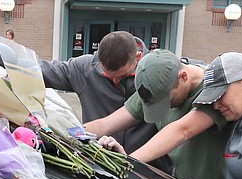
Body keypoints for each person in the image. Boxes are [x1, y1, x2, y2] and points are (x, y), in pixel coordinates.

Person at [86, 49, 231, 179]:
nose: (165, 108)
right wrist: (68, 132)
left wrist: (126, 162)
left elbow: (182, 130)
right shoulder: (155, 84)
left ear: (183, 77)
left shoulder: (213, 93)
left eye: (166, 101)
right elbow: (106, 124)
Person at [40, 31, 163, 161]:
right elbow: (41, 71)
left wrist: (131, 161)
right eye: (109, 75)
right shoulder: (84, 69)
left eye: (121, 76)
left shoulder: (158, 73)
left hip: (151, 169)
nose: (115, 81)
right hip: (98, 164)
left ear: (138, 57)